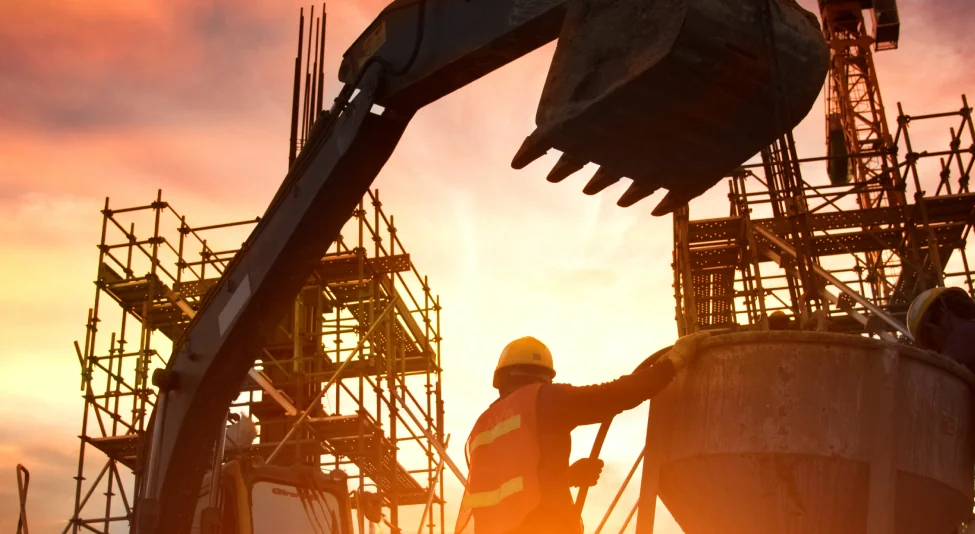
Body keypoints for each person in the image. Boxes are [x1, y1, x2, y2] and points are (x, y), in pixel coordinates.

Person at [456, 333, 709, 534]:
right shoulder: (544, 398)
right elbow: (612, 396)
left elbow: (505, 486)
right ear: (546, 376)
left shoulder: (481, 425)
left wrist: (564, 477)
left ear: (499, 377)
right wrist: (672, 364)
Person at [907, 286, 975, 372]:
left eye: (929, 340)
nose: (935, 349)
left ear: (942, 315)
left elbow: (941, 375)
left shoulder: (962, 336)